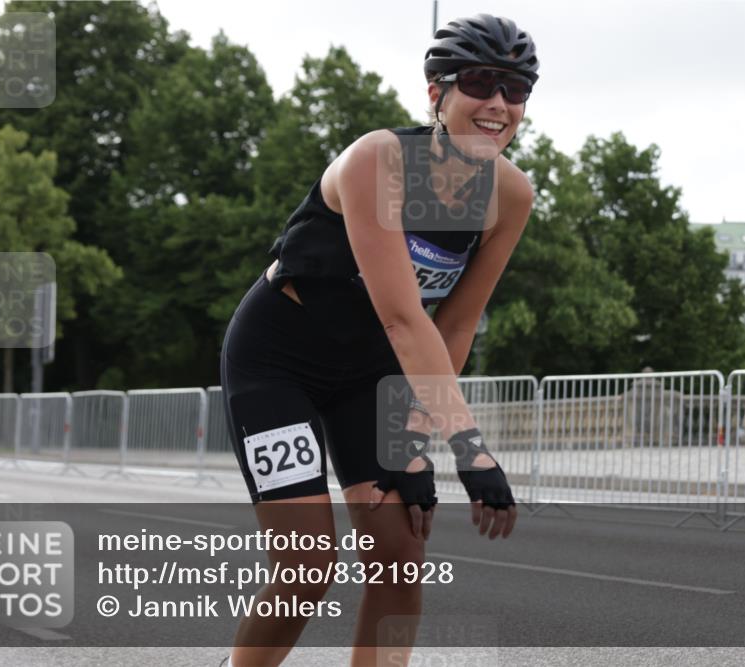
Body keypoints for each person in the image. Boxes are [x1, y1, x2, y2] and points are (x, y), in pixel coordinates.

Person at [219, 13, 539, 667]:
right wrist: (469, 451)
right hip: (278, 361)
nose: (499, 104)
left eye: (516, 89)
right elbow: (403, 318)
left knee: (399, 555)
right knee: (308, 562)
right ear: (437, 93)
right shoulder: (378, 161)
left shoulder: (510, 195)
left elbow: (453, 326)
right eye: (481, 83)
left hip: (372, 373)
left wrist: (412, 436)